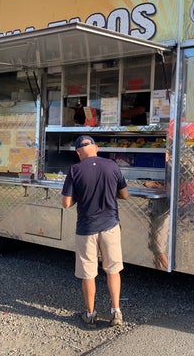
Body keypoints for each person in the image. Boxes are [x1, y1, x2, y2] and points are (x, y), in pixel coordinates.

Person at [61, 135, 129, 329]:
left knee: (88, 274)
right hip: (110, 226)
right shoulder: (112, 166)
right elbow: (124, 194)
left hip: (86, 229)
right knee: (113, 270)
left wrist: (78, 198)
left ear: (78, 152)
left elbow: (66, 203)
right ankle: (116, 312)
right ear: (96, 148)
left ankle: (90, 314)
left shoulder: (75, 169)